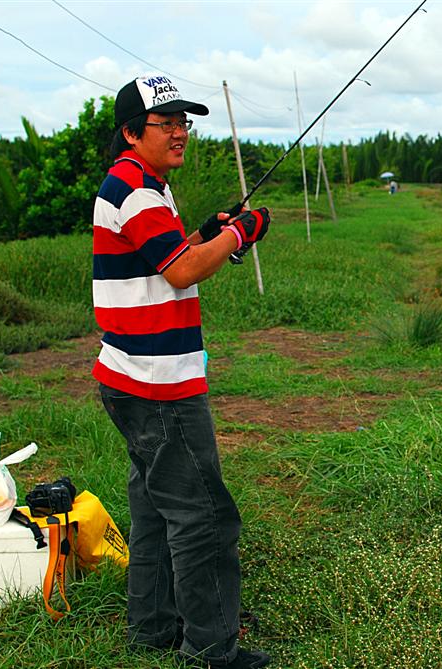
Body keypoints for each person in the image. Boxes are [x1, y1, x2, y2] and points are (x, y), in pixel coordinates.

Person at [93, 74, 271, 669]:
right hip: (157, 383)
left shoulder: (144, 185)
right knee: (204, 516)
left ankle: (151, 628)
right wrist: (241, 234)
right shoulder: (136, 188)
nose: (179, 134)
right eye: (165, 124)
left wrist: (211, 233)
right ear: (131, 132)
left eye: (183, 123)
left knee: (153, 507)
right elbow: (182, 272)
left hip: (129, 374)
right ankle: (213, 650)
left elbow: (167, 255)